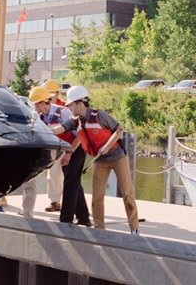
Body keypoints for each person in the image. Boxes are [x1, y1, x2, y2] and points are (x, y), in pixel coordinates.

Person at [50, 86, 139, 235]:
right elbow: (59, 129)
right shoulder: (75, 121)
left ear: (79, 103)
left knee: (127, 194)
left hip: (117, 157)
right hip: (100, 161)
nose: (69, 108)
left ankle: (134, 228)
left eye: (71, 105)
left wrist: (107, 146)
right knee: (97, 197)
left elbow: (119, 130)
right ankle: (99, 230)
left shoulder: (100, 115)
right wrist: (42, 128)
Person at [29, 86, 91, 226]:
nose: (34, 108)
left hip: (76, 148)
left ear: (40, 103)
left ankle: (65, 220)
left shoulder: (63, 112)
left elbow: (79, 136)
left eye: (34, 104)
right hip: (63, 150)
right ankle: (84, 218)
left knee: (69, 183)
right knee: (74, 183)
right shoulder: (40, 117)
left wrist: (70, 153)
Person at [39, 80, 64, 212]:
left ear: (57, 94)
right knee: (53, 174)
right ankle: (55, 201)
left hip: (66, 146)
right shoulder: (41, 110)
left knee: (66, 176)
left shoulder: (64, 108)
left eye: (51, 94)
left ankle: (70, 202)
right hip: (52, 146)